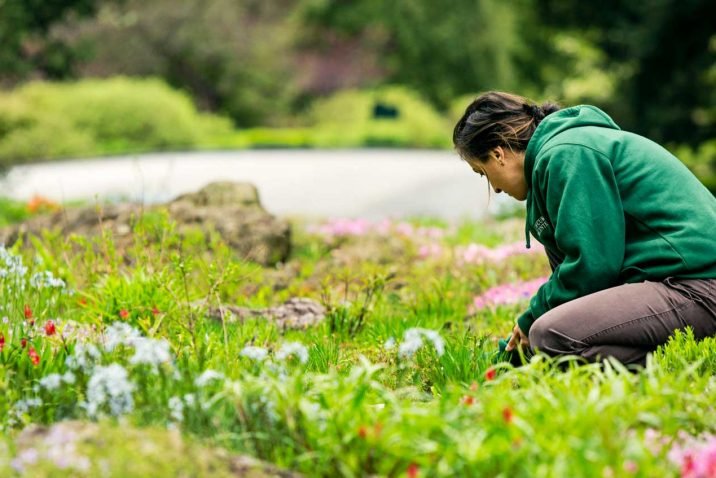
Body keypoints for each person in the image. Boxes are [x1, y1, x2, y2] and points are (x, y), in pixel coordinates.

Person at [453, 91, 716, 366]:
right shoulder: (557, 157)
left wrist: (531, 319)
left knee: (549, 333)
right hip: (674, 284)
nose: (493, 188)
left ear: (498, 154)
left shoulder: (566, 154)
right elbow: (579, 288)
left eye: (482, 173)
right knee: (549, 340)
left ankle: (672, 363)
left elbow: (592, 268)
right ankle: (674, 362)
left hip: (698, 285)